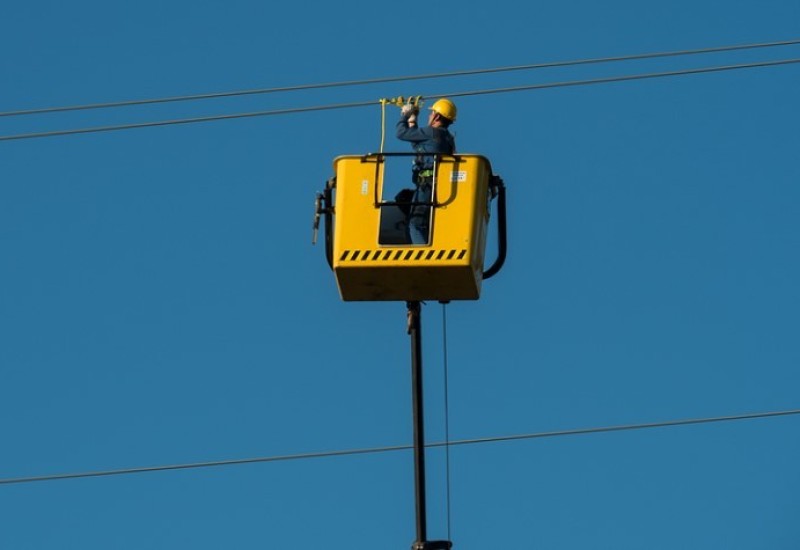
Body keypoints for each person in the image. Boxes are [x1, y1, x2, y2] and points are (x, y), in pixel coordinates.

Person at [396, 98, 457, 244]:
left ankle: (423, 256)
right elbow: (416, 141)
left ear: (436, 116)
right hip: (437, 186)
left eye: (431, 114)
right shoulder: (446, 138)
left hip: (427, 185)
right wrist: (413, 119)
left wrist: (405, 114)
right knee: (403, 200)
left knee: (415, 224)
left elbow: (401, 133)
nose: (429, 116)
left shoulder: (431, 133)